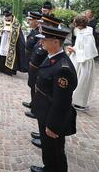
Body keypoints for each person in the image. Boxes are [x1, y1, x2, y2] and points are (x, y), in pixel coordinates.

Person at [30, 25, 77, 172]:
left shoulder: (63, 68)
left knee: (56, 150)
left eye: (45, 40)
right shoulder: (52, 58)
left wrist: (52, 125)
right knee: (48, 147)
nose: (41, 42)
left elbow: (62, 102)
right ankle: (48, 167)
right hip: (45, 111)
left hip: (52, 117)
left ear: (56, 42)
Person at [67, 15, 98, 111]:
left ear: (79, 23)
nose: (74, 23)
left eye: (75, 22)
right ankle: (73, 100)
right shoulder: (80, 32)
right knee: (75, 80)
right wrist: (73, 49)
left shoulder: (87, 35)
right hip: (77, 60)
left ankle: (80, 103)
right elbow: (79, 46)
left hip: (84, 63)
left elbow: (89, 52)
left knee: (82, 82)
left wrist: (75, 51)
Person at [22, 11, 42, 109]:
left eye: (30, 20)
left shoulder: (38, 33)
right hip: (30, 61)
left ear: (37, 22)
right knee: (31, 84)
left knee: (34, 85)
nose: (28, 22)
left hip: (34, 62)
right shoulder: (34, 30)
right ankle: (33, 103)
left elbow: (37, 49)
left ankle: (35, 108)